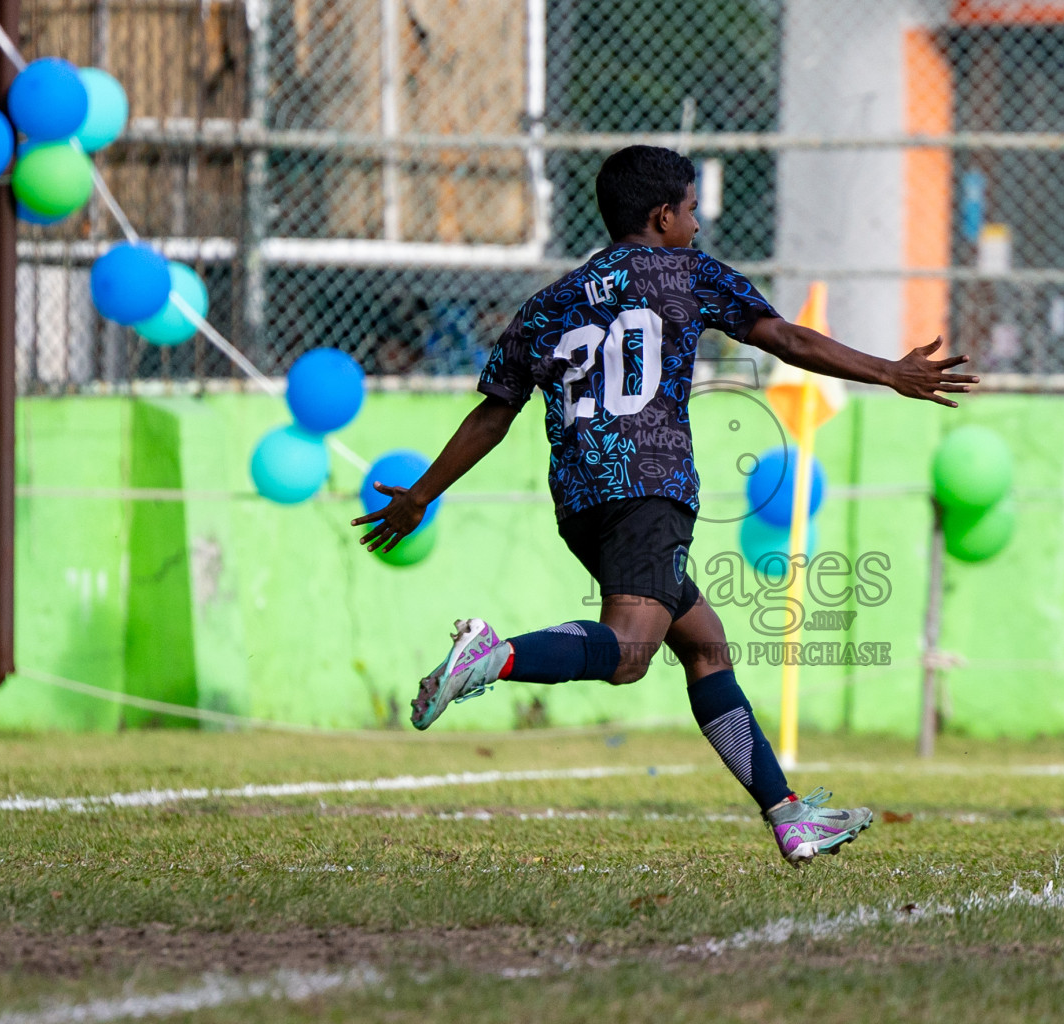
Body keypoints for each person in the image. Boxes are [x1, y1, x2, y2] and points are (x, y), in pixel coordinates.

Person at [351, 145, 977, 864]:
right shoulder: (689, 276)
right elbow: (785, 336)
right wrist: (887, 371)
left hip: (582, 503)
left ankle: (787, 814)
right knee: (627, 655)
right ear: (661, 216)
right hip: (650, 489)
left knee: (705, 645)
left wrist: (421, 497)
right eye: (690, 210)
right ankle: (497, 658)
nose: (698, 225)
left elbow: (493, 413)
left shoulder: (550, 301)